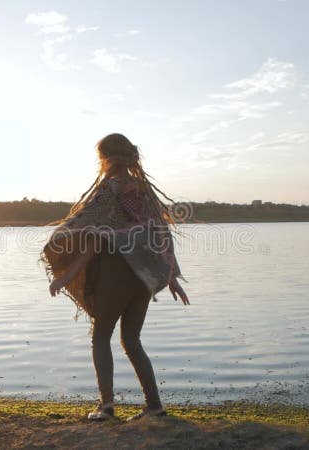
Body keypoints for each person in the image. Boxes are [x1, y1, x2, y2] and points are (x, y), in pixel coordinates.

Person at [40, 133, 189, 422]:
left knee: (100, 338)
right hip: (143, 279)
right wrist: (170, 276)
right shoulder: (143, 193)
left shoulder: (108, 190)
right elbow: (160, 235)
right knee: (132, 341)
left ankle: (106, 406)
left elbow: (94, 235)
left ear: (104, 158)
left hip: (115, 275)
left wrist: (66, 274)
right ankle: (154, 407)